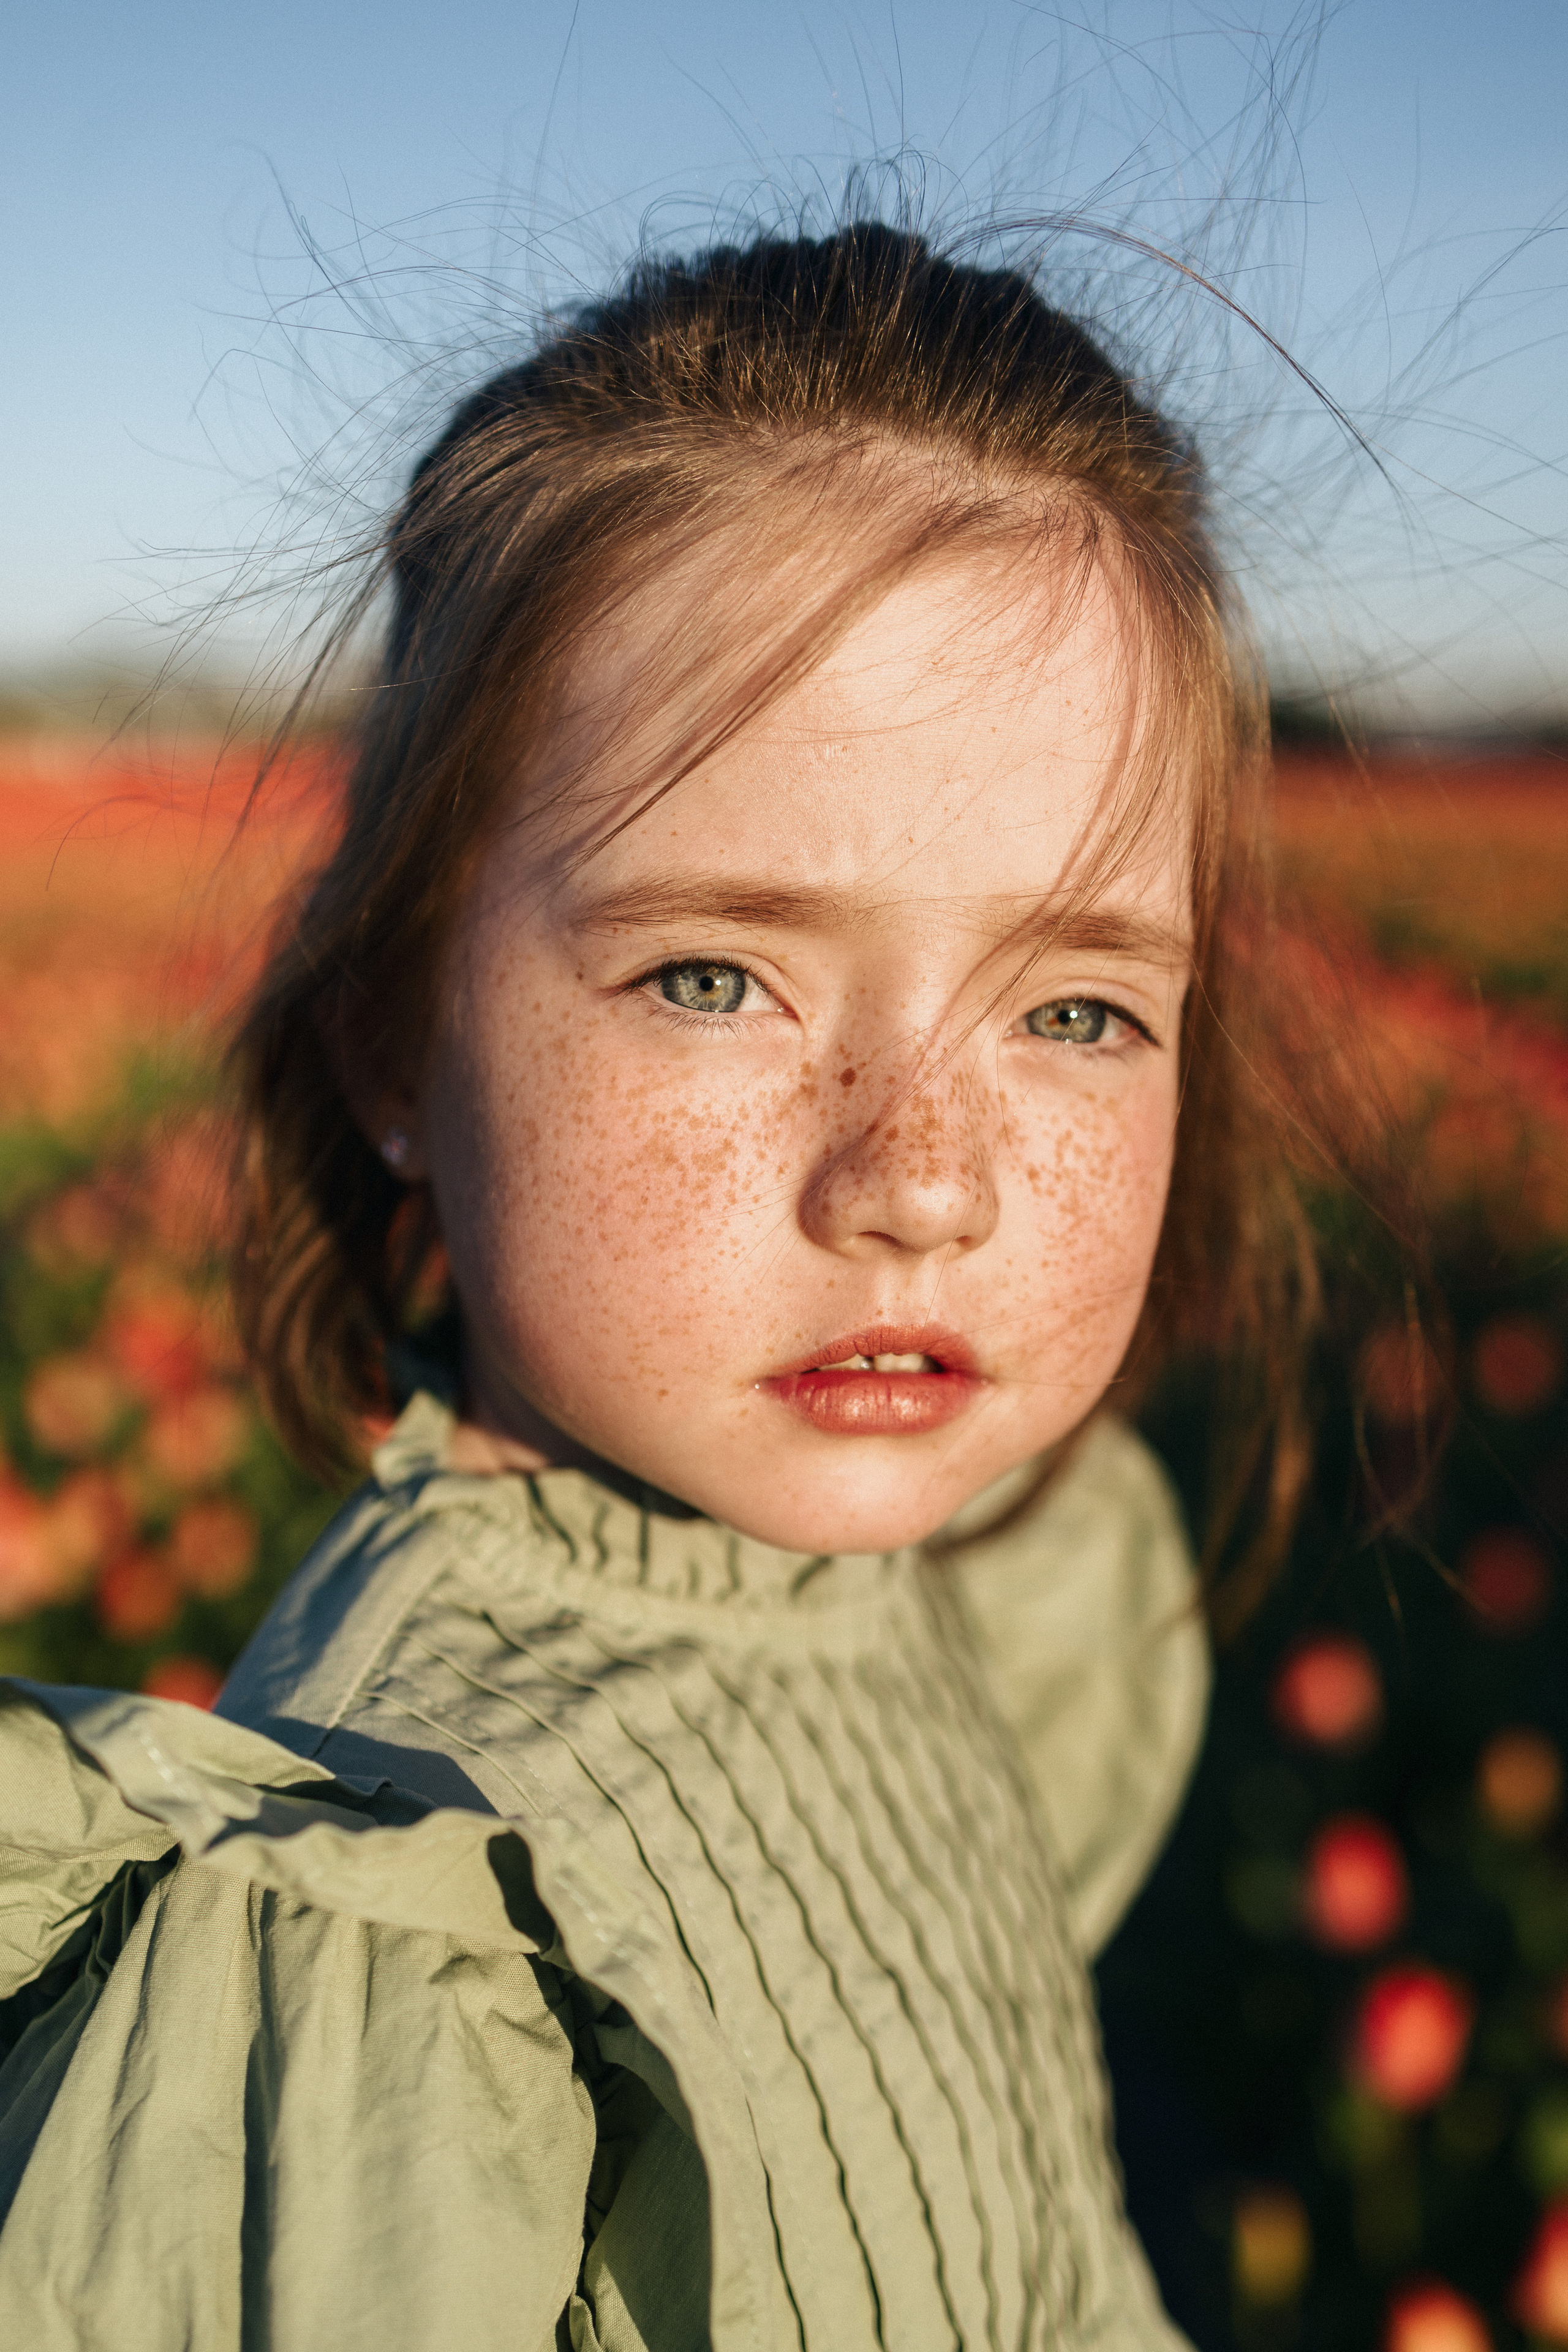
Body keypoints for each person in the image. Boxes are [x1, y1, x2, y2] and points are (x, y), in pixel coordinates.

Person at [0, 222, 1355, 2348]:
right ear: (390, 1047)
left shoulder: (976, 1579)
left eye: (1076, 1010)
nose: (920, 1183)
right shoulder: (393, 1944)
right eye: (712, 977)